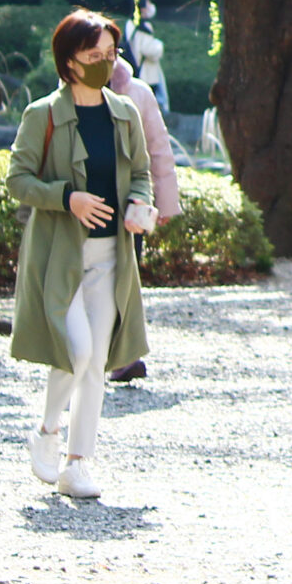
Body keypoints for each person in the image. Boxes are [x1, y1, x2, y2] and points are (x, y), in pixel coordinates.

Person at [6, 10, 155, 500]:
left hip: (113, 256)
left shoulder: (124, 112)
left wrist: (139, 203)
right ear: (69, 61)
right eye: (94, 56)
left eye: (111, 55)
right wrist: (66, 197)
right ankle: (47, 433)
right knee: (78, 351)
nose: (105, 64)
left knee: (96, 364)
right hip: (58, 257)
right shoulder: (42, 115)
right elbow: (18, 181)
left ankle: (78, 463)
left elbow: (140, 173)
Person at [104, 56, 179, 385]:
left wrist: (165, 203)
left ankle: (124, 356)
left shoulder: (138, 92)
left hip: (131, 202)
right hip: (86, 203)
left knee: (125, 278)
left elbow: (158, 147)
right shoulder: (71, 90)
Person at [122, 0, 169, 114]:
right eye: (148, 4)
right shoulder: (143, 26)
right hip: (146, 75)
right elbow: (150, 50)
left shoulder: (130, 24)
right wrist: (160, 45)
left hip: (137, 71)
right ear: (142, 9)